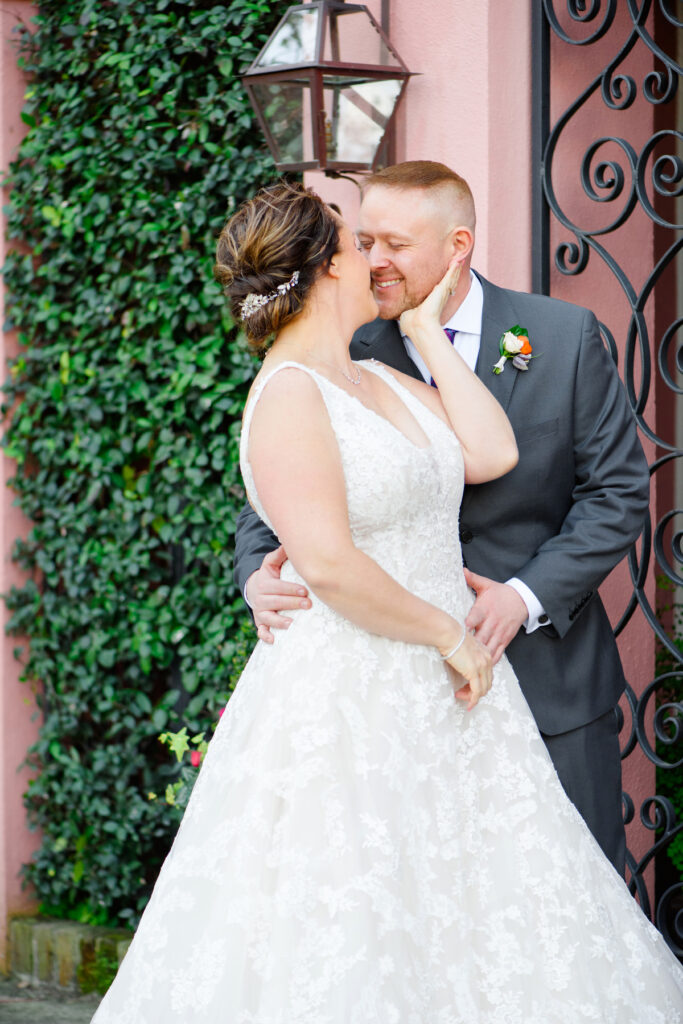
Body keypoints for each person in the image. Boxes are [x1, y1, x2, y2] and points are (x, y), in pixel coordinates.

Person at [92, 181, 682, 1023]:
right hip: (354, 694)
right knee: (360, 913)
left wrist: (418, 338)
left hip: (453, 706)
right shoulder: (290, 391)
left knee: (481, 912)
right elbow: (326, 561)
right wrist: (452, 635)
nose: (373, 258)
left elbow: (490, 449)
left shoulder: (378, 372)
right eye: (356, 245)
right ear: (328, 269)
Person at [234, 161, 651, 876]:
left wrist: (520, 600)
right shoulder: (343, 349)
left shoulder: (562, 336)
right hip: (383, 691)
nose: (375, 261)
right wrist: (253, 578)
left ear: (457, 246)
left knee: (572, 903)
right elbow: (275, 507)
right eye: (363, 241)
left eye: (393, 244)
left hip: (548, 679)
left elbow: (616, 492)